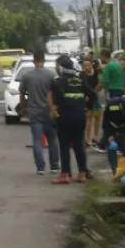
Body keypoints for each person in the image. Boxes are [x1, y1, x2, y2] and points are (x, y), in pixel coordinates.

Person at [50, 55, 96, 184]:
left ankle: (65, 175)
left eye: (56, 65)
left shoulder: (59, 81)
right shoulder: (80, 78)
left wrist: (56, 109)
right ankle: (81, 174)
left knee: (64, 145)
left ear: (60, 67)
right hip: (80, 117)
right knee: (78, 145)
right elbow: (92, 94)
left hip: (65, 118)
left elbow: (57, 98)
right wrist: (87, 108)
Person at [18, 50, 60, 175]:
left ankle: (40, 168)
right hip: (49, 111)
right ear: (44, 61)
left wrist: (24, 109)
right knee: (52, 139)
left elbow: (21, 95)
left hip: (34, 112)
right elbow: (56, 94)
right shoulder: (52, 75)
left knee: (37, 140)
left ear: (33, 60)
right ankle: (54, 166)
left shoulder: (26, 76)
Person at [80, 59, 102, 149]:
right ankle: (87, 139)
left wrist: (95, 92)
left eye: (88, 65)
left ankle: (96, 137)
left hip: (96, 96)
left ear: (91, 65)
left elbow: (101, 82)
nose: (86, 67)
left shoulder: (96, 72)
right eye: (84, 65)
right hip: (87, 98)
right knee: (88, 118)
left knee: (97, 117)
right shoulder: (82, 75)